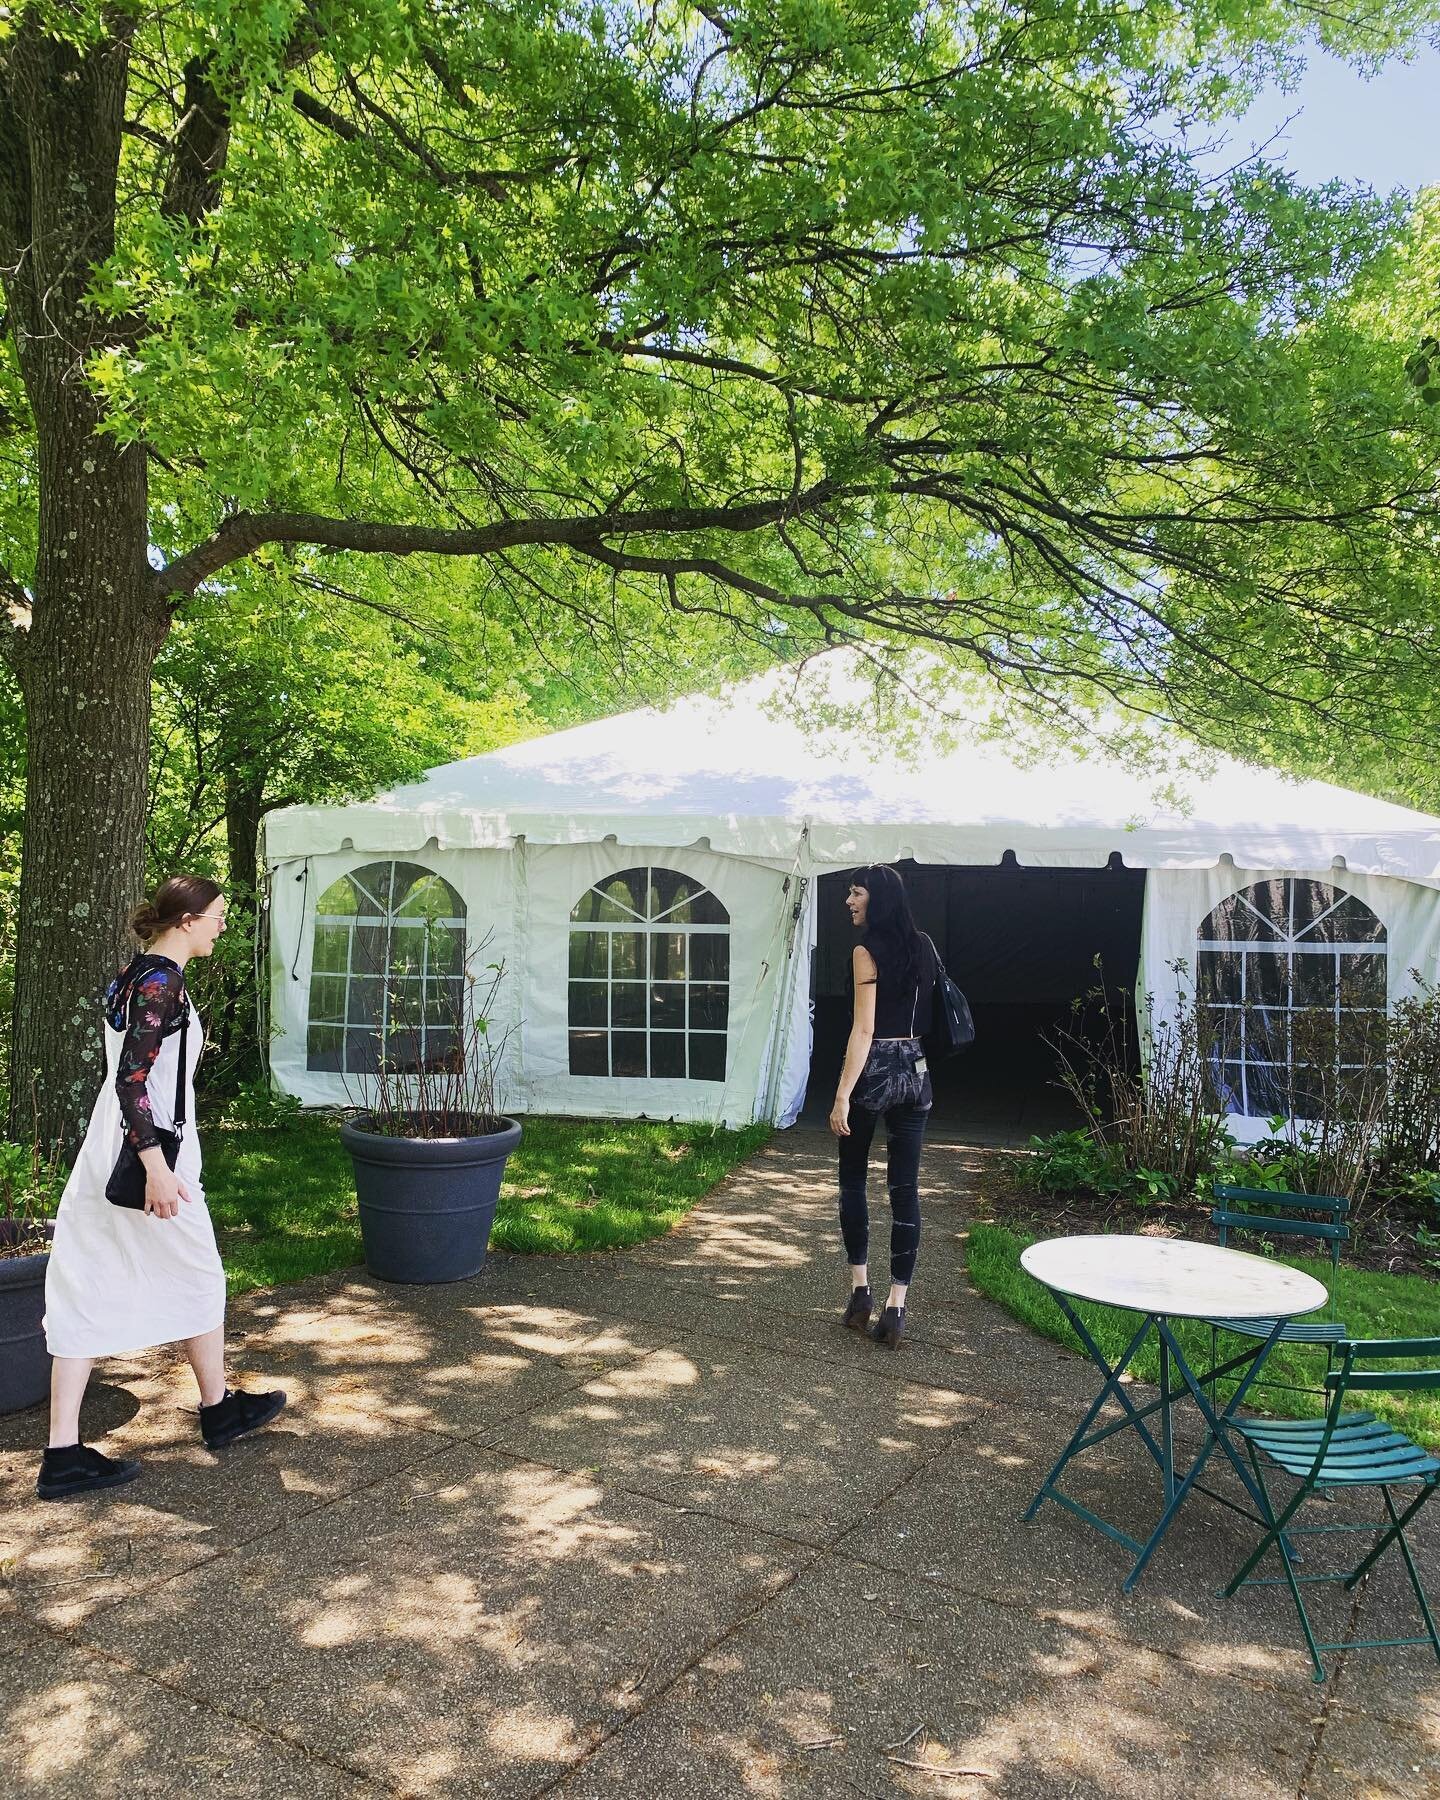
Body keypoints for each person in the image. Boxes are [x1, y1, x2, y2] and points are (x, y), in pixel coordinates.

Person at [36, 876, 286, 1500]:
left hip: (117, 1150)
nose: (223, 927)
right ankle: (211, 1410)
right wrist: (156, 1168)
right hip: (146, 1156)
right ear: (188, 921)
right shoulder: (160, 984)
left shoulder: (136, 975)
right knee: (195, 1272)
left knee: (92, 1276)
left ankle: (77, 1446)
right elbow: (132, 1082)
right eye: (217, 917)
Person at [828, 864, 937, 1349]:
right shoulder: (925, 945)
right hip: (917, 1070)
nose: (849, 902)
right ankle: (897, 1307)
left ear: (877, 899)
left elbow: (865, 1030)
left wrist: (841, 1095)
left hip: (876, 1069)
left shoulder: (864, 951)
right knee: (905, 1188)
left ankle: (859, 1294)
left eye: (855, 893)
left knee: (853, 1179)